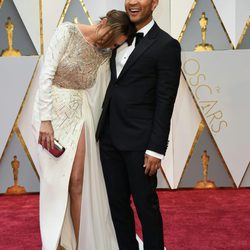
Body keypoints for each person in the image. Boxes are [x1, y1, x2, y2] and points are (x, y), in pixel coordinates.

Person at [32, 10, 135, 250]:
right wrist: (45, 120)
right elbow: (46, 75)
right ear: (104, 22)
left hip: (79, 115)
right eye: (112, 37)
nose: (110, 44)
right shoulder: (67, 31)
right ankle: (55, 242)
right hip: (50, 116)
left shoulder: (105, 54)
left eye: (115, 43)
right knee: (54, 181)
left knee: (77, 180)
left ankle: (80, 244)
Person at [96, 0, 181, 249]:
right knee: (118, 206)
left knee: (146, 207)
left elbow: (165, 101)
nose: (133, 2)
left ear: (154, 3)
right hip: (109, 138)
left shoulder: (166, 45)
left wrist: (156, 149)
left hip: (141, 144)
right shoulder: (118, 35)